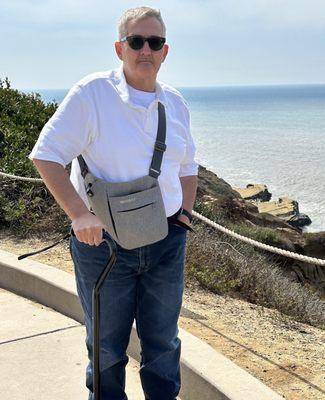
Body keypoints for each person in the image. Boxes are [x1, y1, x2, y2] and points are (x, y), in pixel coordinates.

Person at [29, 6, 198, 400]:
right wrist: (78, 214)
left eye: (154, 43)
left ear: (165, 51)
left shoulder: (174, 103)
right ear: (119, 47)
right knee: (105, 348)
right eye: (136, 41)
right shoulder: (92, 93)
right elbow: (46, 154)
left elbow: (188, 166)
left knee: (163, 344)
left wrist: (185, 215)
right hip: (102, 247)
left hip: (166, 241)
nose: (145, 50)